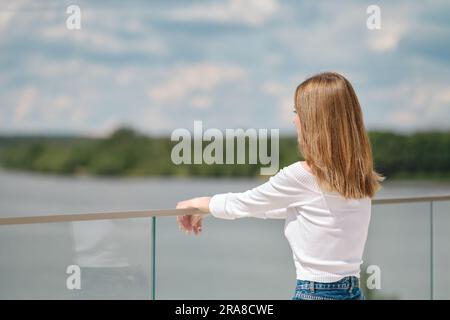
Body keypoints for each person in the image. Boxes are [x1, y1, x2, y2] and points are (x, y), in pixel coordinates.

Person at [176, 72, 384, 300]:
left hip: (315, 293)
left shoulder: (301, 176)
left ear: (314, 120)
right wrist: (209, 210)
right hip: (353, 292)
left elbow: (246, 203)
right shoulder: (357, 176)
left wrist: (198, 203)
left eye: (297, 112)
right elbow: (301, 210)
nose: (294, 120)